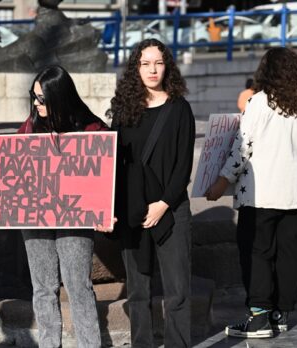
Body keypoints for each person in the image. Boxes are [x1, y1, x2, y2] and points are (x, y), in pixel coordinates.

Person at [0, 65, 106, 348]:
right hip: (35, 220)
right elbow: (11, 161)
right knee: (43, 288)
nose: (36, 104)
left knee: (78, 286)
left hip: (74, 220)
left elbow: (106, 171)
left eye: (42, 99)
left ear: (60, 96)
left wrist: (105, 207)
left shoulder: (91, 129)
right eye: (34, 97)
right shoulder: (30, 126)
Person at [205, 47, 297, 338]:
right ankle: (281, 313)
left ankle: (258, 317)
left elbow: (243, 146)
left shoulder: (260, 101)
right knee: (290, 254)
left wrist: (221, 181)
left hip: (263, 193)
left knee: (257, 254)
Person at [106, 38, 195, 348]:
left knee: (177, 290)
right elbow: (112, 161)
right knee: (138, 289)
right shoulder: (124, 110)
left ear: (167, 65)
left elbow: (183, 165)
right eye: (145, 63)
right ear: (137, 68)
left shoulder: (180, 108)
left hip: (171, 209)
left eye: (158, 62)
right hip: (133, 210)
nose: (152, 69)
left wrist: (163, 204)